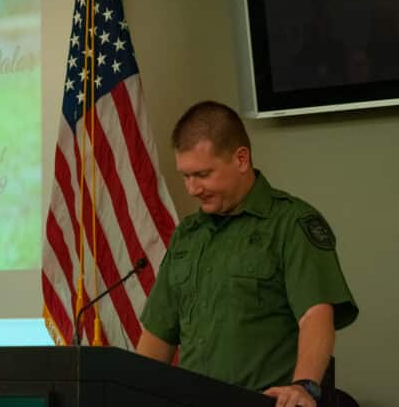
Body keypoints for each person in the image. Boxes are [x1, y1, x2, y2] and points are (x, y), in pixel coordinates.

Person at [137, 101, 358, 407]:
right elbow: (159, 334)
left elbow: (316, 315)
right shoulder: (188, 234)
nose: (192, 189)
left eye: (202, 174)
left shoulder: (290, 223)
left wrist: (305, 386)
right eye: (185, 176)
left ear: (241, 159)